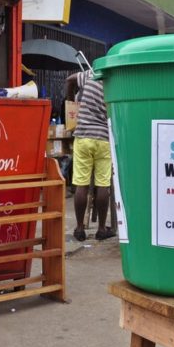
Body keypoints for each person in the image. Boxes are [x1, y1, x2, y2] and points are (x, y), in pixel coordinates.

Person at [65, 69, 115, 242]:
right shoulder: (115, 83)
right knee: (103, 184)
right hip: (104, 138)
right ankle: (102, 229)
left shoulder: (91, 74)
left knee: (81, 183)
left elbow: (69, 79)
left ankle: (79, 228)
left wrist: (71, 98)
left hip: (84, 135)